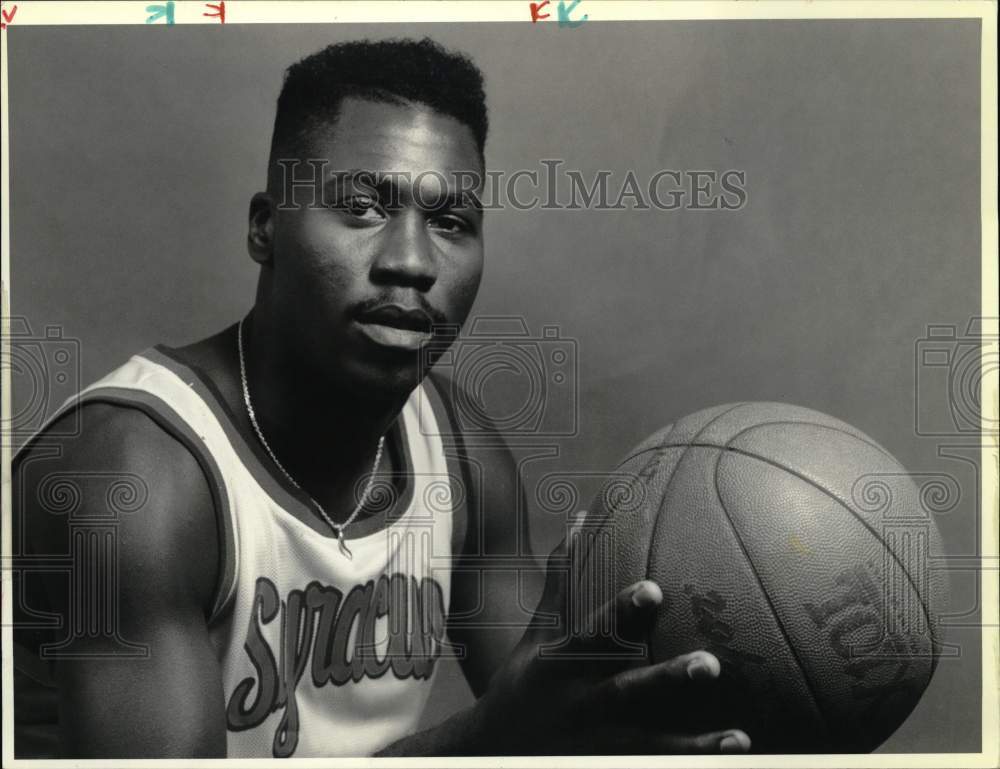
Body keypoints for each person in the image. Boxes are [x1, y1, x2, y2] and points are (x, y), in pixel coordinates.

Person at [12, 37, 752, 758]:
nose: (411, 261)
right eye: (363, 207)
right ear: (265, 227)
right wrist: (487, 739)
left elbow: (565, 723)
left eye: (451, 222)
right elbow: (512, 731)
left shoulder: (460, 453)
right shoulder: (134, 478)